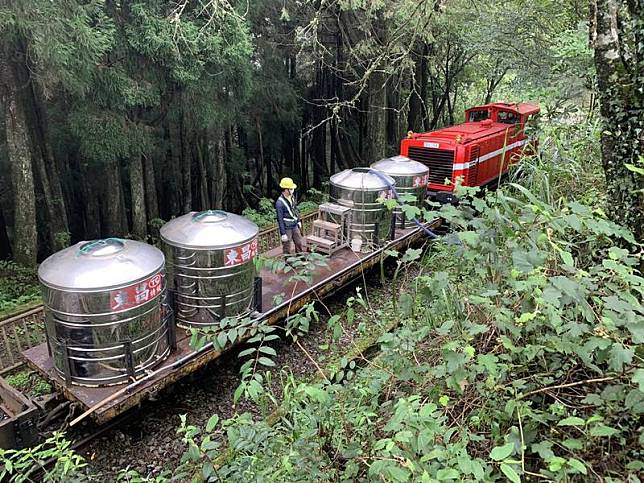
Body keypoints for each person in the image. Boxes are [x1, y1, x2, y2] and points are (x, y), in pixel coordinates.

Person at [276, 177, 305, 254]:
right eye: (291, 188)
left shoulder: (292, 197)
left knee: (298, 242)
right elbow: (280, 219)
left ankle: (301, 259)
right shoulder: (279, 203)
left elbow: (295, 209)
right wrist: (283, 234)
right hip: (286, 227)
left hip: (294, 225)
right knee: (287, 246)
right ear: (286, 189)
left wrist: (298, 220)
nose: (293, 190)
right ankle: (288, 263)